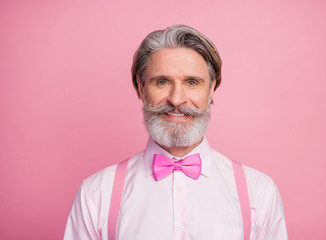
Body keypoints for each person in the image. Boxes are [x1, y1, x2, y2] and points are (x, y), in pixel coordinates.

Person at [64, 25, 288, 240]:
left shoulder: (259, 193)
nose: (177, 99)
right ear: (141, 88)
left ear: (211, 89)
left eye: (192, 82)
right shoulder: (95, 194)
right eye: (162, 82)